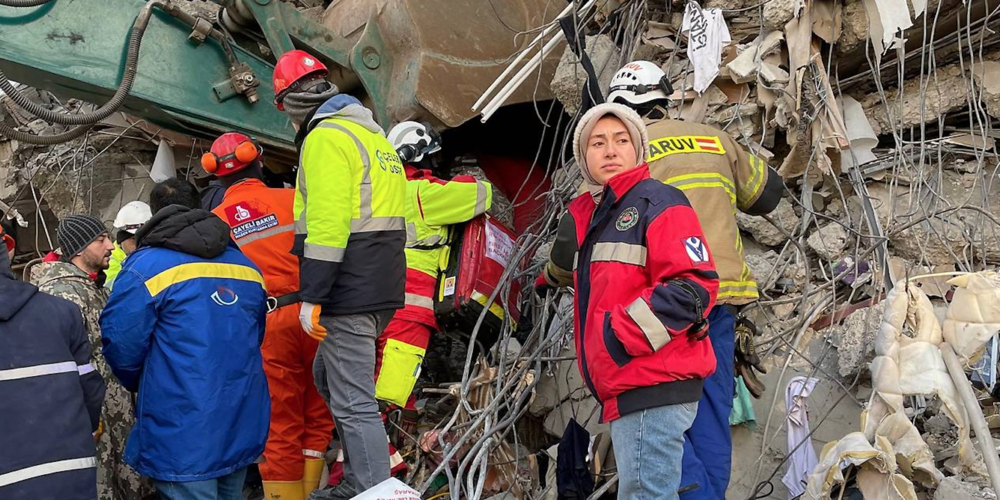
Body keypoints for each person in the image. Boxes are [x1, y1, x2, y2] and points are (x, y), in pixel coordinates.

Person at [606, 60, 783, 498]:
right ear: (664, 99)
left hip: (661, 304)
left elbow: (579, 236)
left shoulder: (623, 153)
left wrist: (552, 275)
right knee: (710, 414)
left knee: (654, 412)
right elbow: (768, 195)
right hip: (720, 296)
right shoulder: (713, 139)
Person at [542, 103, 719, 499]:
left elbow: (694, 285)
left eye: (621, 140)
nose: (610, 151)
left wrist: (618, 338)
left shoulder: (656, 201)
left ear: (638, 149)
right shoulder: (599, 215)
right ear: (583, 157)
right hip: (632, 385)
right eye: (597, 143)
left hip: (648, 379)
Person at [273, 49, 408, 498]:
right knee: (328, 378)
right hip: (381, 282)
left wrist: (313, 295)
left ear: (288, 104)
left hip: (349, 288)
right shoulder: (374, 138)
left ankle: (373, 488)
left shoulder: (325, 138)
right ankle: (359, 478)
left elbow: (328, 226)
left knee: (353, 398)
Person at [99, 178, 270, 500]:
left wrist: (146, 382)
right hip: (240, 417)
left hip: (180, 423)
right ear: (199, 207)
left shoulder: (145, 268)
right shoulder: (246, 266)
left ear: (155, 214)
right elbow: (254, 336)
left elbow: (121, 344)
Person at [205, 132, 334, 500]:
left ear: (216, 175)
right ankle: (313, 492)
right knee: (318, 408)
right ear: (258, 161)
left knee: (279, 420)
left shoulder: (214, 223)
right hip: (315, 312)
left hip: (266, 324)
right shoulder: (294, 200)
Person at [34, 214, 152, 500]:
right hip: (95, 423)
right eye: (100, 240)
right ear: (79, 249)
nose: (110, 245)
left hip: (115, 415)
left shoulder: (91, 288)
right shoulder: (63, 294)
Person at [375, 121, 492, 408]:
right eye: (433, 156)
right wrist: (464, 176)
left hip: (368, 305)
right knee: (389, 398)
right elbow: (481, 195)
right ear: (418, 156)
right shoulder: (421, 192)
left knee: (366, 386)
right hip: (407, 311)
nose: (436, 163)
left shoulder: (372, 193)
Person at [0, 221, 106, 500]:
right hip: (70, 476)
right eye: (100, 240)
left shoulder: (72, 299)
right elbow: (91, 391)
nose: (110, 246)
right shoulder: (61, 307)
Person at [106, 201, 152, 290]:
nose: (139, 244)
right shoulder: (109, 262)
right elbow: (115, 290)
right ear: (121, 239)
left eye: (145, 238)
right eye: (133, 239)